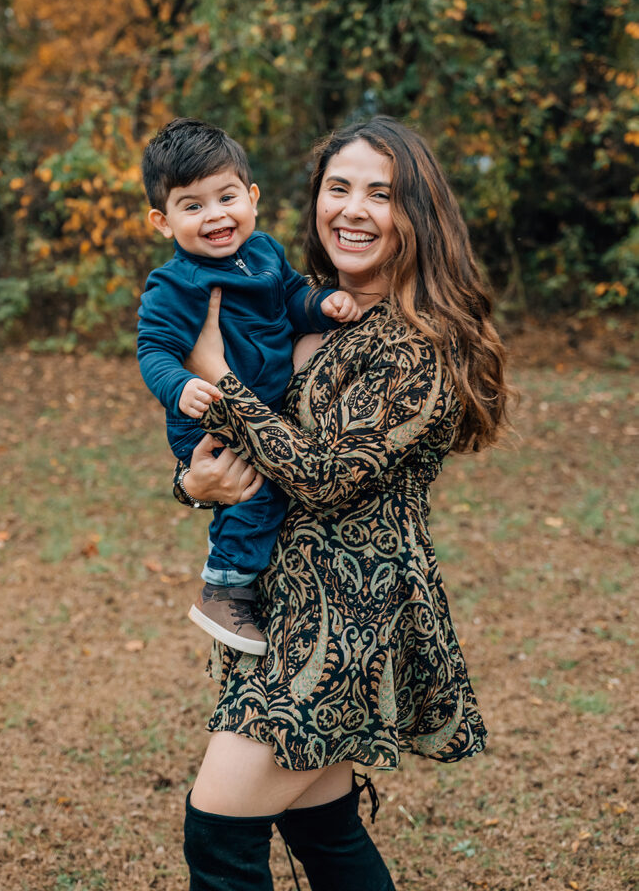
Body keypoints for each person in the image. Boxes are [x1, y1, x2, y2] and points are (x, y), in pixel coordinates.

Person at [177, 116, 509, 890]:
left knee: (219, 830)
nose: (353, 209)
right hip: (274, 606)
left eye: (380, 193)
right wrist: (194, 486)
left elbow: (326, 476)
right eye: (338, 187)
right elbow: (239, 453)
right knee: (321, 831)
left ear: (415, 213)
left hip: (350, 619)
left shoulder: (421, 341)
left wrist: (218, 380)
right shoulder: (299, 309)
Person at [137, 118, 361, 656]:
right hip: (210, 415)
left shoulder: (262, 253)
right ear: (162, 222)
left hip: (258, 408)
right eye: (191, 206)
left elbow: (289, 298)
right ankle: (224, 588)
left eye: (226, 197)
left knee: (259, 493)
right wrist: (180, 384)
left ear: (252, 197)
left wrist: (320, 305)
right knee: (256, 495)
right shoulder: (175, 284)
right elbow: (154, 349)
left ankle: (241, 578)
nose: (214, 215)